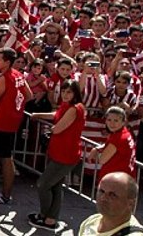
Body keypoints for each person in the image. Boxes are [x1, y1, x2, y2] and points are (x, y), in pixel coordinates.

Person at [27, 78, 86, 230]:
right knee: (55, 186)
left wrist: (49, 131)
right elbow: (56, 115)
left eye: (69, 92)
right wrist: (38, 114)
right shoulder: (67, 105)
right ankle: (51, 219)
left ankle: (45, 215)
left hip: (66, 154)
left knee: (43, 184)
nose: (66, 95)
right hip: (58, 152)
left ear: (75, 93)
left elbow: (59, 127)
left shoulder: (75, 108)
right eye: (64, 91)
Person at [0, 47, 31, 205]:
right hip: (13, 120)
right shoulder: (18, 74)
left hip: (2, 122)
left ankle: (6, 195)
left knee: (6, 158)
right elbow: (29, 95)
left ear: (7, 62)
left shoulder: (4, 77)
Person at [76, 172, 141, 236]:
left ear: (130, 203)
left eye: (112, 195)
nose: (103, 198)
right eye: (101, 191)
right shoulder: (91, 221)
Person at [93, 106, 137, 181]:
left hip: (114, 179)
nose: (112, 123)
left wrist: (95, 155)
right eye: (109, 120)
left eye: (116, 120)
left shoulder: (118, 138)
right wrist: (98, 148)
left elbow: (102, 160)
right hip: (125, 177)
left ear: (123, 122)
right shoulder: (125, 132)